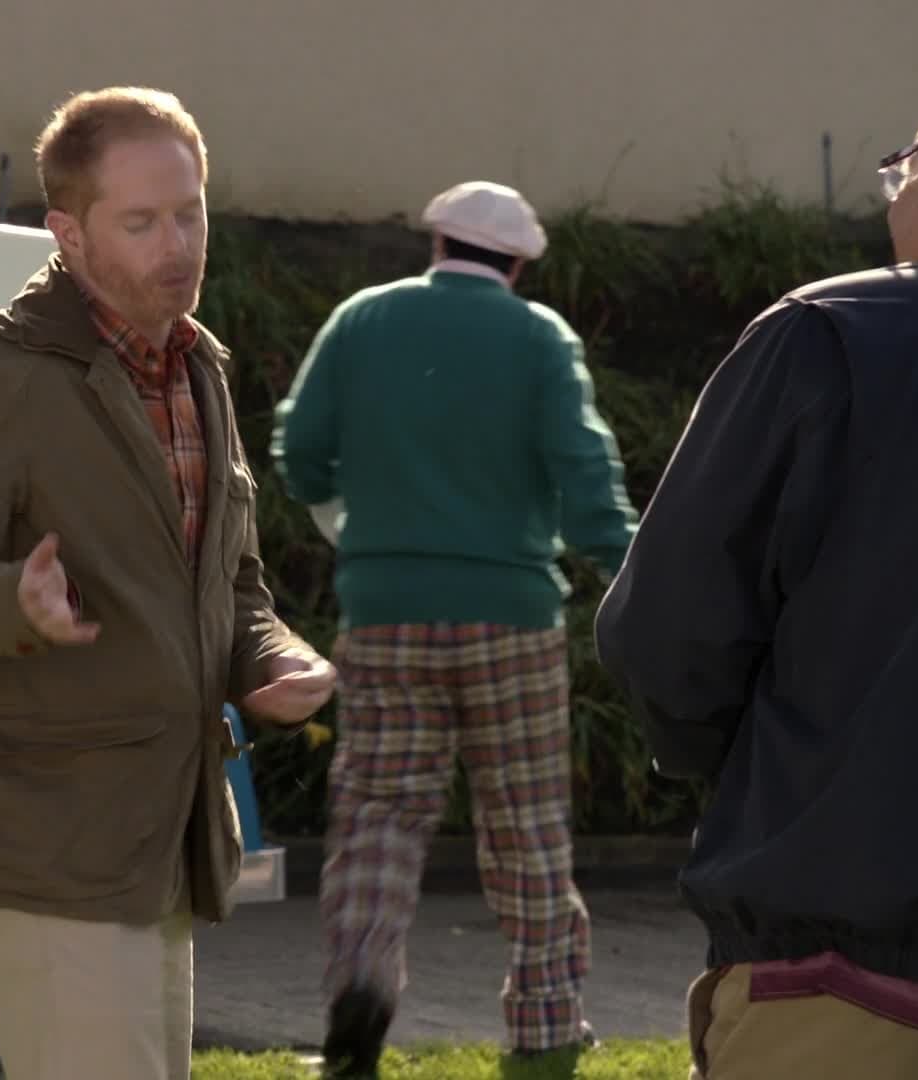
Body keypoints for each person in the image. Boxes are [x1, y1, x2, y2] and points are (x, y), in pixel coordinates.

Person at [594, 48, 918, 1079]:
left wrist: (761, 773)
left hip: (854, 975)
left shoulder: (832, 332)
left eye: (903, 171)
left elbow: (665, 633)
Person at [0, 86, 336, 1080]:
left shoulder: (196, 370)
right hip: (47, 846)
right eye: (141, 222)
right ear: (68, 234)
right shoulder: (1, 384)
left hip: (161, 842)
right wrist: (13, 604)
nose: (179, 245)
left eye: (190, 213)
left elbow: (231, 585)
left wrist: (268, 658)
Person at [272, 180, 638, 1076]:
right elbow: (585, 473)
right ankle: (546, 1025)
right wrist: (630, 562)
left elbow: (300, 452)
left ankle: (361, 987)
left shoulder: (362, 319)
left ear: (436, 244)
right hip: (512, 617)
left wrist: (348, 512)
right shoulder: (539, 336)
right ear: (517, 264)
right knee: (526, 822)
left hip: (384, 612)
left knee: (380, 814)